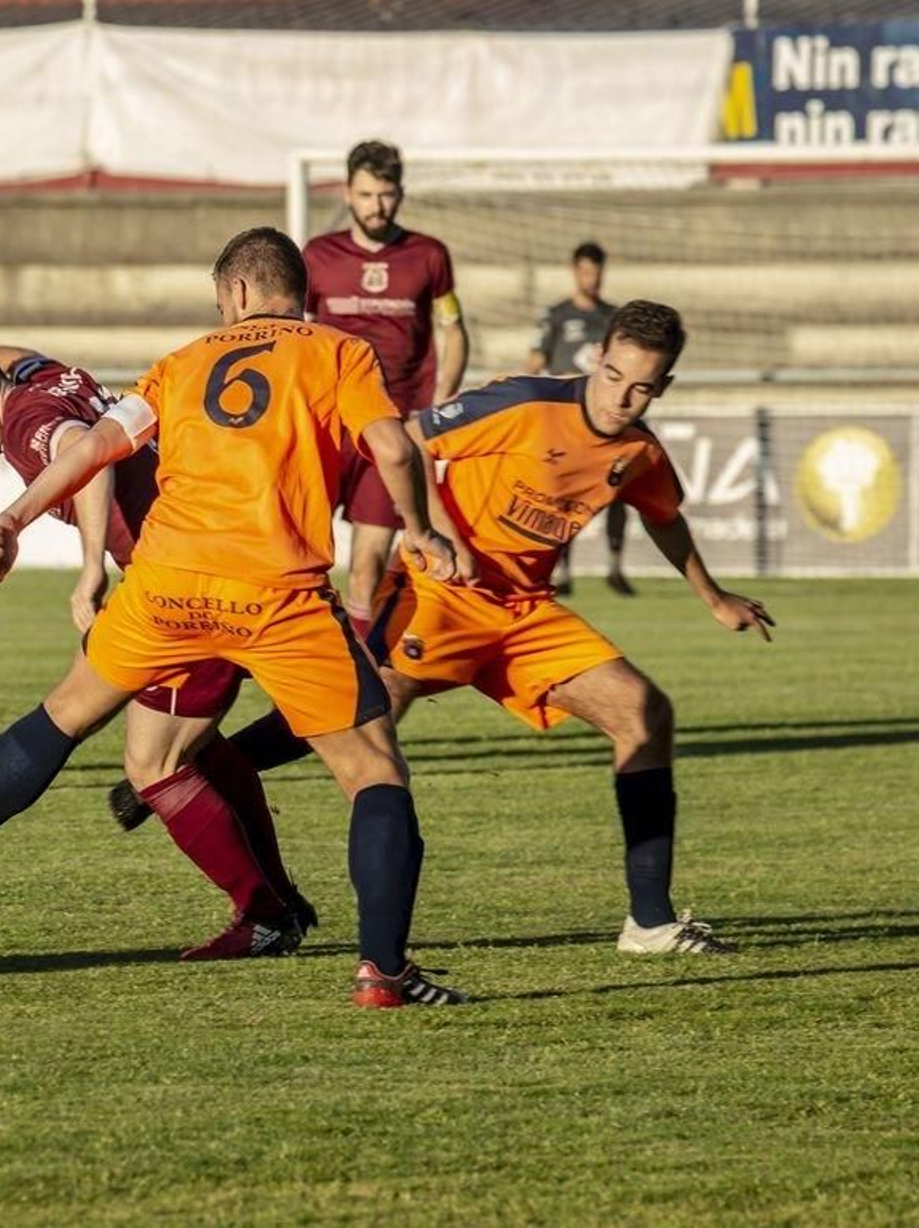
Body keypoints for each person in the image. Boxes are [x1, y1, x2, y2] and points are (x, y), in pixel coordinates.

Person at [0, 227, 470, 1009]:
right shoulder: (339, 351)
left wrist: (13, 519)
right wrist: (420, 530)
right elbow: (396, 449)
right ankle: (380, 970)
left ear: (236, 294)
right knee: (372, 771)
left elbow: (90, 450)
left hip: (166, 582)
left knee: (63, 719)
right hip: (272, 588)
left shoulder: (181, 362)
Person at [226, 301, 774, 955]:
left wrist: (713, 597)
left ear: (664, 387)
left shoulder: (639, 453)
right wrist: (441, 534)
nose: (621, 398)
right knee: (362, 712)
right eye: (614, 376)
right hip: (441, 594)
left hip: (525, 614)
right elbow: (410, 439)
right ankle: (212, 770)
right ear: (597, 357)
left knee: (644, 713)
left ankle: (650, 924)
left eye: (642, 388)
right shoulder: (526, 402)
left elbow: (664, 517)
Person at [0, 326, 314, 959]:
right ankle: (277, 904)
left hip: (193, 584)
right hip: (211, 558)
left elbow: (84, 451)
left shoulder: (26, 420)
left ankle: (268, 915)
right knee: (185, 746)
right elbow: (5, 359)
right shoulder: (39, 375)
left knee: (149, 761)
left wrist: (89, 571)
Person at [302, 140, 468, 640]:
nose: (377, 206)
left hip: (391, 429)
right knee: (302, 550)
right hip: (329, 427)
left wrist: (439, 403)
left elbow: (454, 330)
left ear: (401, 193)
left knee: (369, 559)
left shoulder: (429, 256)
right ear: (347, 194)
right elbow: (298, 336)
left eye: (386, 194)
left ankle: (362, 659)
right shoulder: (318, 256)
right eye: (366, 194)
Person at [525, 241, 632, 596]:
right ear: (575, 272)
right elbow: (535, 360)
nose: (592, 278)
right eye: (586, 271)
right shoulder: (555, 315)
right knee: (562, 495)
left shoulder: (614, 317)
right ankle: (563, 571)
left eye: (597, 272)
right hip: (566, 419)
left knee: (619, 491)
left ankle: (615, 568)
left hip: (606, 420)